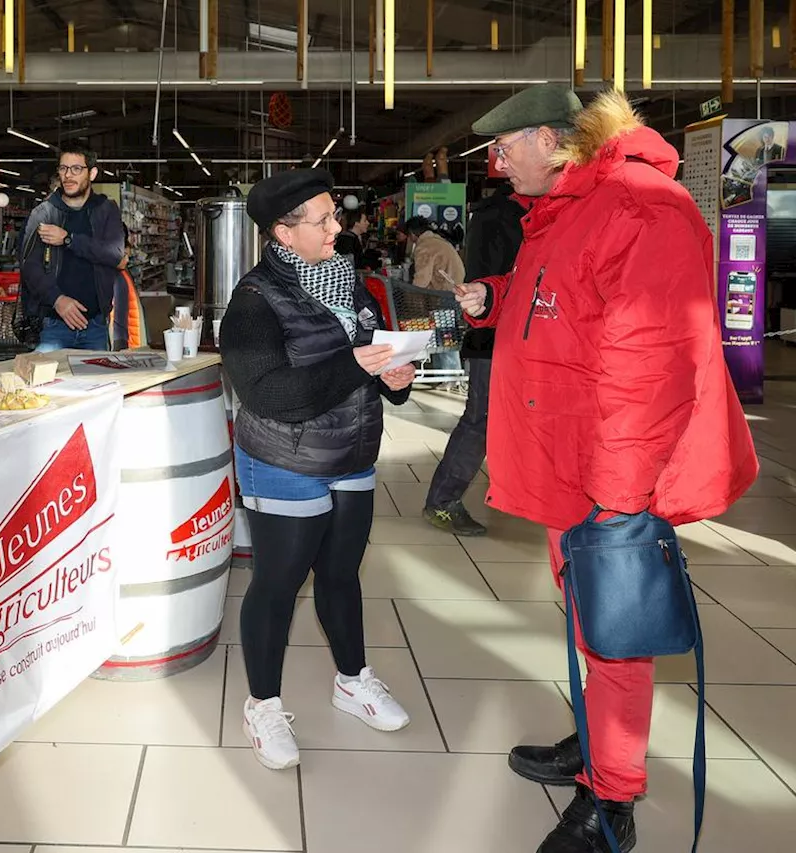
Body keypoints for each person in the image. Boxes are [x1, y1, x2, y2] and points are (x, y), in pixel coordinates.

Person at [455, 86, 757, 853]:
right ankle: (596, 743)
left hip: (612, 473)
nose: (496, 163)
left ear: (555, 141)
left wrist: (618, 497)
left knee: (616, 631)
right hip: (572, 461)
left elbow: (651, 365)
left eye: (506, 145)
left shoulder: (640, 208)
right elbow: (556, 298)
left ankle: (611, 798)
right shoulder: (573, 205)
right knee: (591, 620)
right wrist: (491, 298)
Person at [219, 169, 416, 772]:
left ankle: (352, 680)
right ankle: (263, 704)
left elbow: (368, 355)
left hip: (352, 453)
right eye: (323, 220)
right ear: (282, 232)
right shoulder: (252, 303)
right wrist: (358, 367)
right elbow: (272, 395)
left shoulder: (348, 281)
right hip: (284, 461)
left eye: (335, 215)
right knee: (278, 585)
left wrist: (394, 379)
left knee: (341, 574)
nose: (338, 228)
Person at [422, 181, 529, 536]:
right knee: (480, 419)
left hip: (499, 334)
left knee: (487, 419)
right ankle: (442, 501)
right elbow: (498, 281)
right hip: (495, 336)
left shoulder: (493, 215)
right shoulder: (506, 216)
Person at [20, 144, 125, 352]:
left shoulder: (106, 209)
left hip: (95, 326)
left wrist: (69, 240)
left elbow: (115, 254)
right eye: (63, 168)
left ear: (92, 173)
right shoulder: (43, 213)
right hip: (53, 325)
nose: (68, 175)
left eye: (76, 169)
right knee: (45, 383)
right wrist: (57, 299)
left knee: (98, 384)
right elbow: (29, 266)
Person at [401, 215, 464, 290]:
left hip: (446, 289)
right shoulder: (435, 239)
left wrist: (411, 296)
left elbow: (422, 279)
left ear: (412, 234)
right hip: (455, 283)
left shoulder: (424, 246)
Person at [110, 223, 146, 350]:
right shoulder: (119, 277)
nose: (127, 260)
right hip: (124, 343)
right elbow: (118, 320)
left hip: (126, 341)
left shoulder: (121, 274)